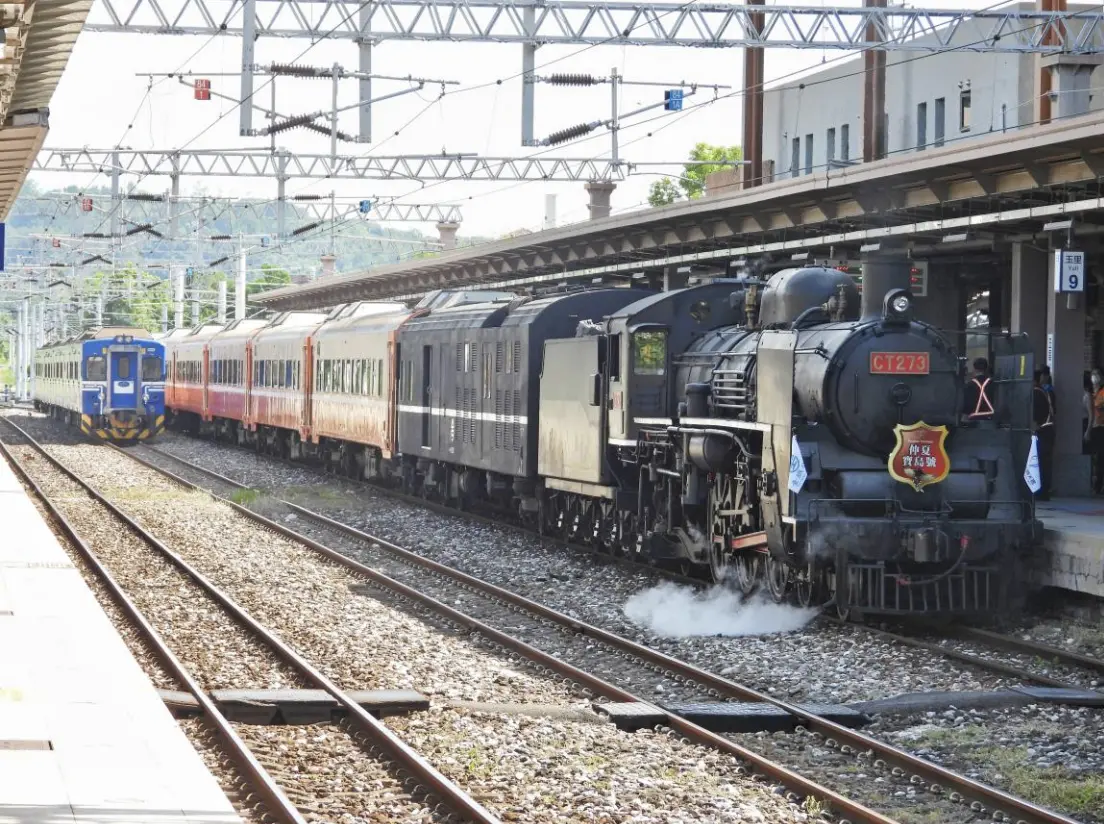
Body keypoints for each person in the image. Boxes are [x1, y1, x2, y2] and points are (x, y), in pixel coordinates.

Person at [1032, 369, 1055, 500]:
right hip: (1047, 431)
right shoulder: (1045, 391)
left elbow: (1036, 416)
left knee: (1040, 463)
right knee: (1044, 463)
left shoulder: (1036, 393)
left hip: (1042, 432)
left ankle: (1041, 492)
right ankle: (1043, 491)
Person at [1086, 368, 1104, 495]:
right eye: (1093, 375)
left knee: (1100, 458)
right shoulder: (1092, 393)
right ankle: (1095, 484)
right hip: (1094, 428)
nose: (1094, 377)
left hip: (1101, 427)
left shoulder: (1102, 393)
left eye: (1097, 375)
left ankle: (1098, 485)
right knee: (1095, 458)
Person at [963, 357, 996, 422]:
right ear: (986, 368)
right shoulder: (993, 383)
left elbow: (966, 405)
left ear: (974, 369)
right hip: (991, 419)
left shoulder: (969, 385)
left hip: (974, 420)